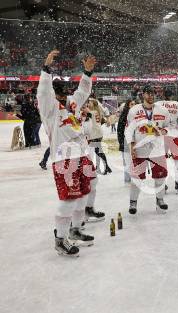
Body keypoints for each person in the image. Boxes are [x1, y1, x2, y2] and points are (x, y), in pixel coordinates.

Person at [37, 50, 96, 257]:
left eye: (63, 92)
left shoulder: (72, 102)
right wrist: (46, 70)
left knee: (83, 195)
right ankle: (60, 240)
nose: (63, 95)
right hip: (64, 158)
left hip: (82, 155)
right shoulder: (49, 109)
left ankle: (76, 229)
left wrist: (87, 73)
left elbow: (83, 92)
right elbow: (43, 92)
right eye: (59, 92)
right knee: (69, 199)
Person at [125, 85, 171, 214]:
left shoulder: (163, 110)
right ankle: (133, 203)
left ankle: (160, 200)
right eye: (148, 93)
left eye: (153, 93)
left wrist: (163, 130)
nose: (150, 96)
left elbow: (171, 126)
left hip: (158, 150)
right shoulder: (134, 110)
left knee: (160, 177)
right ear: (143, 95)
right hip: (140, 150)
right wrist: (131, 145)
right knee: (137, 178)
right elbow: (129, 130)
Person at [155, 89, 178, 193]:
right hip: (174, 135)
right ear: (171, 95)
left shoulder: (156, 105)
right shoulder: (177, 105)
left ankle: (162, 186)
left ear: (162, 94)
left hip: (161, 135)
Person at [87, 99, 112, 175]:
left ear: (93, 105)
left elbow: (84, 112)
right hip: (97, 133)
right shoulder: (96, 112)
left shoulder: (92, 112)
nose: (88, 104)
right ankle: (106, 167)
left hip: (96, 134)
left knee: (99, 152)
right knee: (98, 151)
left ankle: (106, 167)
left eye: (89, 103)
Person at [117, 99, 136, 184]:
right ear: (128, 105)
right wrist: (121, 142)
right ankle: (128, 180)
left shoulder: (137, 115)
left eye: (135, 104)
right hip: (126, 142)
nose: (133, 106)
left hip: (135, 141)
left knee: (135, 161)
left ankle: (135, 179)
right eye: (132, 104)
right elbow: (119, 130)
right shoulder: (124, 116)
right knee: (127, 162)